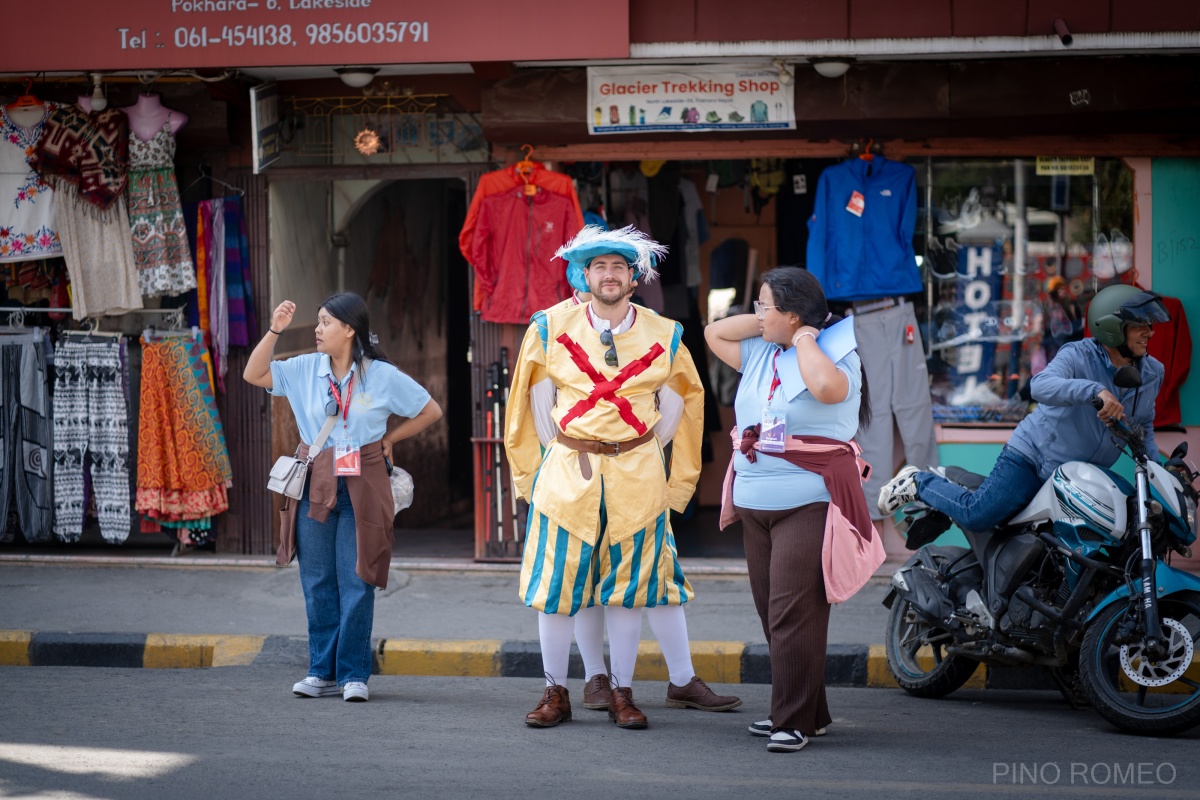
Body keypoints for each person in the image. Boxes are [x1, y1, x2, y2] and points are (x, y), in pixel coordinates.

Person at [506, 225, 729, 729]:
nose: (609, 275)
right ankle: (555, 691)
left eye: (619, 267)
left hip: (639, 475)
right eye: (599, 266)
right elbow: (521, 408)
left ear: (635, 277)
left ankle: (624, 693)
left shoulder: (665, 333)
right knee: (558, 587)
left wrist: (679, 486)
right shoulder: (547, 328)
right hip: (567, 474)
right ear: (584, 275)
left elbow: (691, 408)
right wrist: (528, 478)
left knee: (629, 589)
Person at [705, 266, 873, 753]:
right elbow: (714, 332)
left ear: (796, 315)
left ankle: (791, 719)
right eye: (755, 305)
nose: (756, 314)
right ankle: (809, 714)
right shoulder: (759, 351)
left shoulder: (835, 355)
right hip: (755, 502)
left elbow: (826, 391)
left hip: (808, 500)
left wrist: (803, 338)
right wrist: (766, 323)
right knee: (772, 610)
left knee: (792, 612)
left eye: (764, 305)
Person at [243, 293, 442, 702]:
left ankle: (353, 674)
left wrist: (390, 439)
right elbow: (254, 373)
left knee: (358, 579)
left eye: (325, 323)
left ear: (349, 329)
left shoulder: (381, 375)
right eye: (317, 322)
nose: (317, 330)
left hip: (364, 484)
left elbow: (430, 411)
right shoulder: (302, 369)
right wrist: (275, 329)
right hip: (316, 478)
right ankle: (321, 671)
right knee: (317, 581)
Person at [878, 284, 1169, 531]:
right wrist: (1093, 391)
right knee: (977, 515)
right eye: (1139, 325)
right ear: (1113, 328)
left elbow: (1145, 428)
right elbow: (1040, 386)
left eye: (1150, 325)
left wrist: (1162, 477)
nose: (1149, 333)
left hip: (1081, 478)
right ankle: (918, 481)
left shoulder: (1152, 372)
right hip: (1033, 459)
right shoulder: (1078, 355)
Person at [1042, 276, 1084, 364]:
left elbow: (1078, 325)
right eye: (1058, 290)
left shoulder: (1071, 305)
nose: (1062, 291)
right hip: (1058, 349)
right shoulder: (1048, 309)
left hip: (1073, 346)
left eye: (1063, 288)